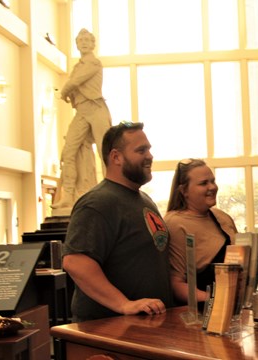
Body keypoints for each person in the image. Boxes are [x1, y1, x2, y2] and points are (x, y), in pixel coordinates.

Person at [62, 122, 174, 322]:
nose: (150, 156)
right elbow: (75, 262)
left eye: (149, 149)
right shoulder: (97, 203)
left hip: (146, 324)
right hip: (109, 329)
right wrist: (124, 304)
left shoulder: (144, 200)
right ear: (116, 157)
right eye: (141, 150)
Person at [53, 28, 112, 210]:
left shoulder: (93, 63)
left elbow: (75, 82)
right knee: (69, 151)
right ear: (77, 44)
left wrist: (63, 92)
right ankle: (68, 195)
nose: (84, 43)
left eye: (88, 40)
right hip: (82, 112)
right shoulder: (77, 66)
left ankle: (112, 192)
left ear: (93, 44)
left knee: (105, 153)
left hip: (96, 109)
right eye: (81, 40)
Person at [165, 158, 238, 305]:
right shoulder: (174, 223)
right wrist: (216, 301)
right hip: (202, 312)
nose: (212, 187)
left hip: (235, 307)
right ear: (183, 191)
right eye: (204, 183)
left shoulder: (222, 217)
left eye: (213, 181)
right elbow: (176, 283)